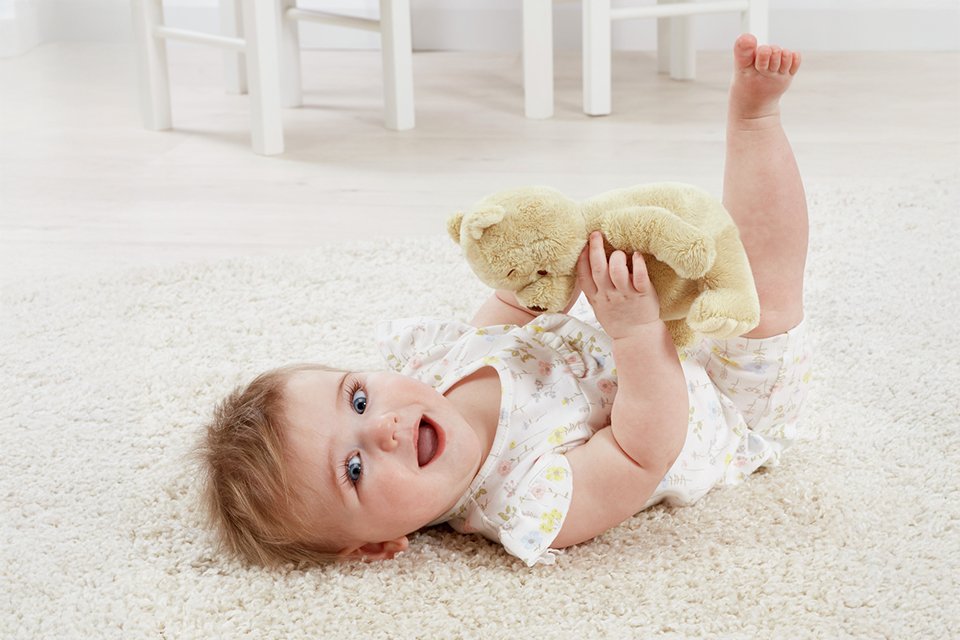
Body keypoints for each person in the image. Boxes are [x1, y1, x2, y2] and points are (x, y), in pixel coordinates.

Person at [197, 34, 812, 568]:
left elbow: (516, 316)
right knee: (767, 286)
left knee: (706, 244)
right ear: (375, 547)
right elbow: (642, 451)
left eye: (357, 399)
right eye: (353, 470)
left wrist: (539, 259)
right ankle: (756, 121)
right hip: (724, 406)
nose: (382, 428)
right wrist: (634, 332)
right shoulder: (525, 500)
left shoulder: (437, 370)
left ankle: (747, 129)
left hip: (659, 322)